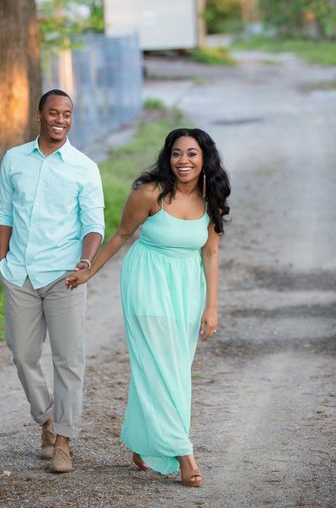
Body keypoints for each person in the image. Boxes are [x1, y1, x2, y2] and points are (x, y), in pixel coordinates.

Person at [66, 127, 230, 487]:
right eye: (176, 153)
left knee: (172, 369)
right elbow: (122, 235)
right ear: (167, 157)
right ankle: (184, 453)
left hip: (187, 289)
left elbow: (211, 252)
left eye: (190, 154)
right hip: (147, 283)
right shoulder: (150, 194)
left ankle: (142, 442)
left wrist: (211, 306)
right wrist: (88, 273)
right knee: (161, 368)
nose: (182, 161)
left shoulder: (210, 198)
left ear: (204, 160)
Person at [0, 89, 104, 473]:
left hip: (64, 275)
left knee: (68, 359)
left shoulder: (84, 167)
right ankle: (46, 418)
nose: (60, 119)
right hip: (20, 273)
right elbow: (3, 212)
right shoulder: (14, 159)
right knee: (23, 354)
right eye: (54, 112)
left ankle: (64, 442)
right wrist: (1, 261)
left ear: (72, 119)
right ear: (39, 114)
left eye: (67, 114)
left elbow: (94, 225)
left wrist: (85, 261)